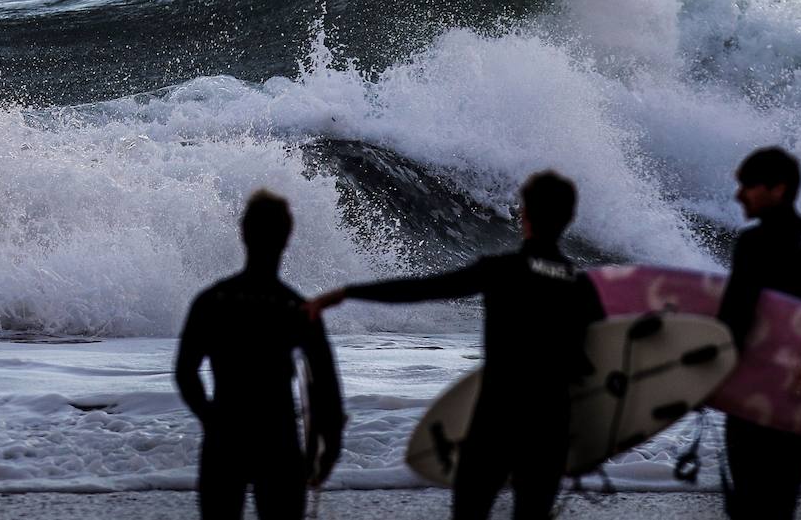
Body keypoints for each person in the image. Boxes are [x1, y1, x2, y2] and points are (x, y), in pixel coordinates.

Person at [307, 170, 603, 520]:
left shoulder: (502, 270)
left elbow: (423, 289)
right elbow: (587, 364)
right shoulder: (581, 287)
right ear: (568, 218)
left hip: (498, 419)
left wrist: (348, 293)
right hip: (550, 424)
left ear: (524, 214)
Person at [175, 190, 343, 520]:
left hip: (225, 433)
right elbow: (325, 385)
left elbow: (185, 371)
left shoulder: (213, 300)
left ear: (244, 234)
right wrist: (329, 445)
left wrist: (209, 418)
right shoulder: (296, 308)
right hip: (277, 437)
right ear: (286, 238)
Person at [717, 147, 801, 520]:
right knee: (782, 504)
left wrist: (707, 379)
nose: (739, 195)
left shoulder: (754, 243)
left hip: (756, 391)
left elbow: (735, 321)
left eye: (748, 186)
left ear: (778, 188)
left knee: (749, 502)